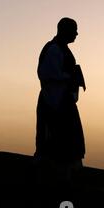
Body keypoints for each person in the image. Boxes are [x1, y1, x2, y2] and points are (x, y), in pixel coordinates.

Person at [34, 17, 86, 189]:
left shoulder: (62, 50)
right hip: (54, 103)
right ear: (65, 30)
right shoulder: (54, 49)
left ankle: (62, 180)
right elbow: (47, 74)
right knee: (53, 144)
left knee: (66, 144)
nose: (77, 33)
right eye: (74, 29)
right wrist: (70, 77)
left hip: (62, 103)